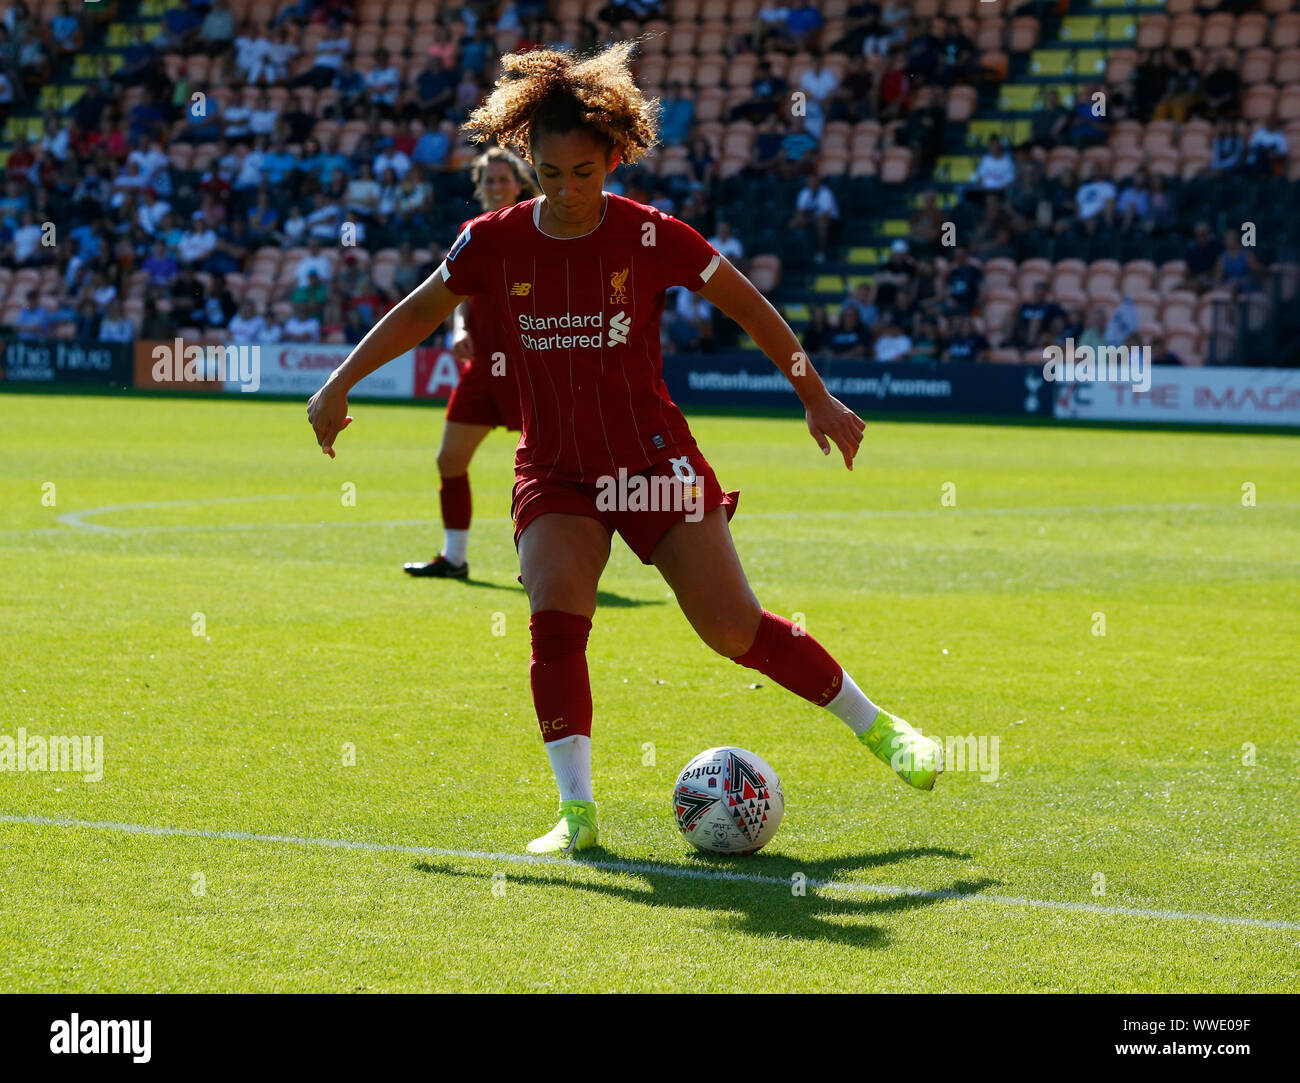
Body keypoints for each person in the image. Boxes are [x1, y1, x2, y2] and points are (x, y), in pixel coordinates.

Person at [308, 43, 944, 855]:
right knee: (554, 620)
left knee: (732, 629)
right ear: (529, 161)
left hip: (653, 463)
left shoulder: (652, 237)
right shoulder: (491, 241)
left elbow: (750, 307)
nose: (568, 191)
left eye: (583, 172)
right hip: (557, 470)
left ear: (612, 156)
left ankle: (880, 728)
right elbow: (417, 310)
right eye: (550, 172)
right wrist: (340, 380)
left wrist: (813, 393)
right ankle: (577, 814)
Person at [404, 145, 538, 579]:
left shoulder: (540, 226)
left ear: (519, 184)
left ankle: (546, 562)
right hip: (482, 368)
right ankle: (454, 558)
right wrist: (459, 329)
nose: (497, 186)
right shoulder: (472, 231)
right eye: (489, 180)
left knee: (545, 469)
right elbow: (458, 293)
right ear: (479, 188)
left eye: (504, 179)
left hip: (532, 367)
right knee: (449, 461)